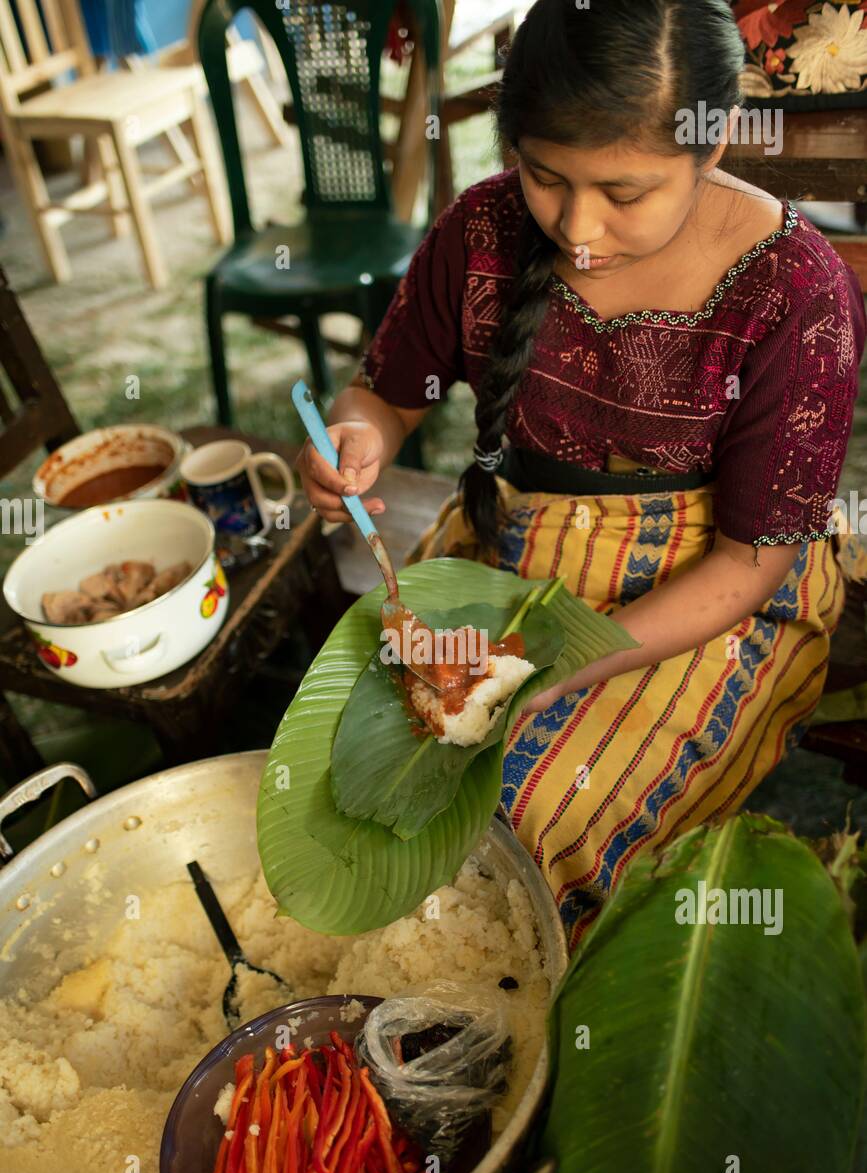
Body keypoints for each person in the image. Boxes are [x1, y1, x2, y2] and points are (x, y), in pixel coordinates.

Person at [297, 0, 867, 947]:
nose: (575, 226)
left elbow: (750, 562)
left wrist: (548, 671)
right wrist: (354, 437)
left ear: (712, 137)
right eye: (542, 175)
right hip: (510, 540)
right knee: (346, 778)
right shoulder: (480, 227)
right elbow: (384, 395)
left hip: (704, 595)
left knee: (523, 820)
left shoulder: (794, 291)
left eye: (624, 190)